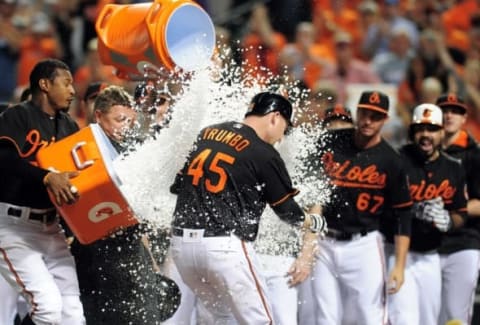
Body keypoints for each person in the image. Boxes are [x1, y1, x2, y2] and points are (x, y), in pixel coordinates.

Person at [169, 91, 327, 324]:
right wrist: (314, 222)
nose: (283, 135)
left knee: (220, 317)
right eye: (285, 126)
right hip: (223, 248)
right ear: (274, 117)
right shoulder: (264, 153)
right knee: (261, 321)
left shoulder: (208, 132)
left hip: (182, 248)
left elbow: (177, 186)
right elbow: (288, 213)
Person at [69, 85, 171, 324]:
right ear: (98, 116)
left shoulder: (133, 152)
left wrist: (153, 263)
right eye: (119, 119)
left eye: (129, 120)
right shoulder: (77, 151)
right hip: (92, 251)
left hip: (130, 246)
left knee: (144, 315)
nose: (125, 126)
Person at [309, 90, 413, 324]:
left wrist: (399, 264)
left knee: (370, 316)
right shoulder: (331, 141)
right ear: (356, 112)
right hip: (325, 241)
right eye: (364, 113)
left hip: (363, 245)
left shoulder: (390, 160)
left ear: (385, 119)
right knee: (325, 318)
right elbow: (309, 183)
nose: (368, 120)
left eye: (375, 116)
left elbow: (403, 213)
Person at [0, 58, 85, 324]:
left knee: (72, 313)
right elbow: (4, 159)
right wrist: (46, 177)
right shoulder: (17, 115)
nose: (73, 90)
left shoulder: (69, 126)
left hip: (51, 226)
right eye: (67, 83)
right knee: (47, 308)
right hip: (14, 225)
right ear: (45, 84)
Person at [383, 102, 467, 325]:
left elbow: (460, 212)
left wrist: (448, 221)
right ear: (412, 132)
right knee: (403, 319)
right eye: (420, 129)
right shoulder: (396, 160)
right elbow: (380, 208)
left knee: (429, 320)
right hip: (397, 253)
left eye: (432, 129)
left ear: (442, 132)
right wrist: (412, 209)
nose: (426, 135)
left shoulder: (454, 167)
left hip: (431, 255)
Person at [436, 93, 480, 325]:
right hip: (427, 246)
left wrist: (449, 212)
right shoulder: (422, 150)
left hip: (463, 243)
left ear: (464, 118)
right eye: (444, 109)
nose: (449, 115)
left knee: (455, 316)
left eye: (455, 111)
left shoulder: (475, 154)